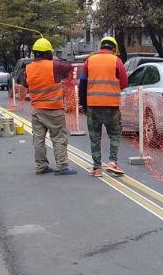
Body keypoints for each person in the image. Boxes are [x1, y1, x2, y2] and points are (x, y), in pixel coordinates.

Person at [24, 37, 77, 176]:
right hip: (54, 109)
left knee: (38, 139)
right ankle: (62, 166)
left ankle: (41, 166)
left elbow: (26, 84)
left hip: (37, 110)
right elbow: (69, 66)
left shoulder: (28, 68)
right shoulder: (53, 65)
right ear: (48, 53)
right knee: (59, 137)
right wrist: (53, 59)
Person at [79, 36, 128, 177]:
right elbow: (124, 83)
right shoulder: (117, 61)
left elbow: (82, 85)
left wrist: (84, 105)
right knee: (114, 135)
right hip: (111, 107)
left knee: (95, 137)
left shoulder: (89, 61)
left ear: (100, 47)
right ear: (114, 49)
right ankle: (112, 162)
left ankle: (97, 168)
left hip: (93, 106)